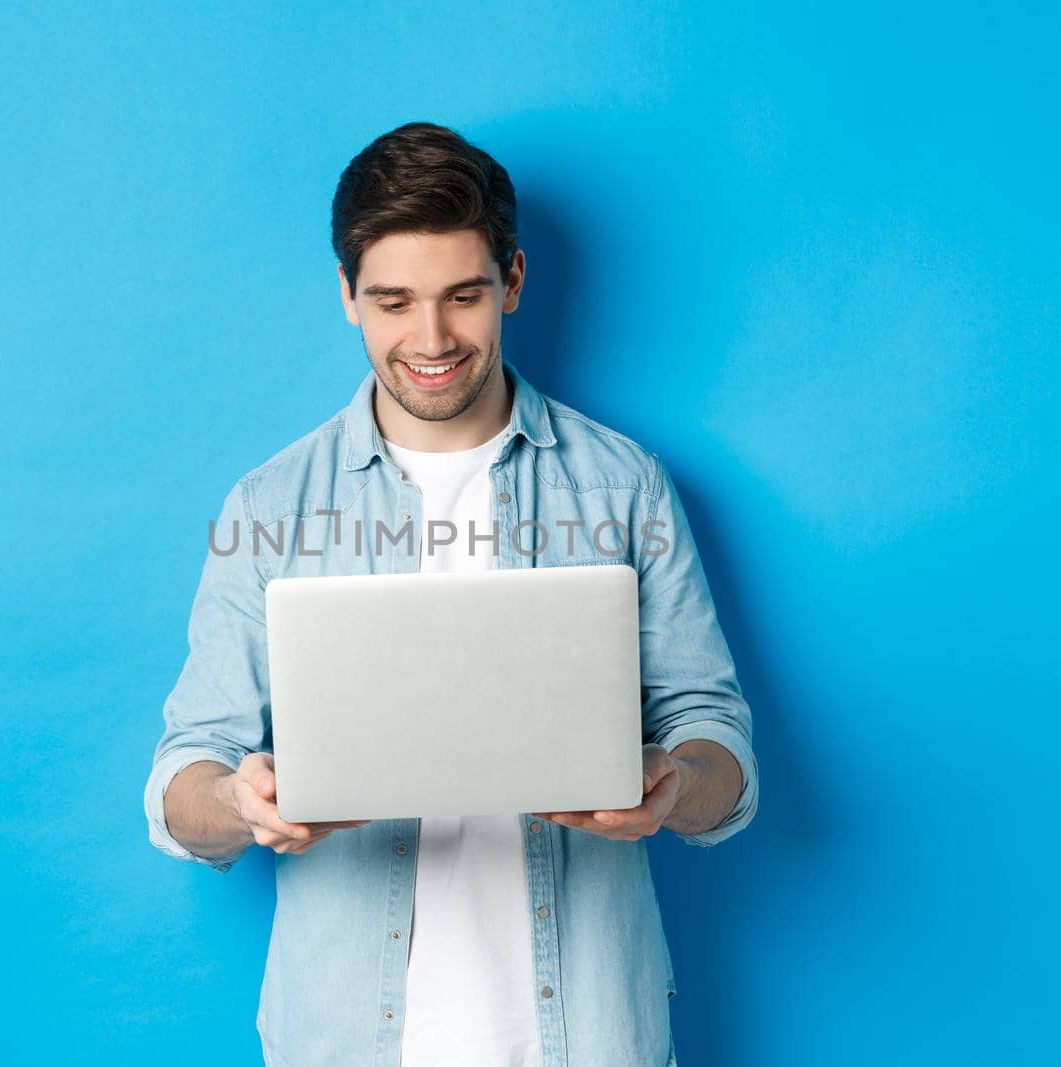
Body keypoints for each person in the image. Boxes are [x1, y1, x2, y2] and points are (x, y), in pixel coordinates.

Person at [142, 121, 759, 1067]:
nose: (429, 340)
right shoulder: (270, 505)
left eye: (463, 296)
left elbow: (719, 752)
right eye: (393, 301)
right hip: (345, 1039)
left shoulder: (626, 486)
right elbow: (182, 784)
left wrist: (674, 785)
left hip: (589, 1034)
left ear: (512, 281)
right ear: (347, 296)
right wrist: (241, 798)